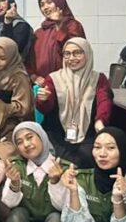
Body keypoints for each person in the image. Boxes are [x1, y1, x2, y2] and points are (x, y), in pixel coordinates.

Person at [36, 37, 114, 168]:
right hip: (57, 132)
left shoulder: (98, 79)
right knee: (59, 157)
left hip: (89, 132)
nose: (71, 58)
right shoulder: (53, 78)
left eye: (77, 53)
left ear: (87, 54)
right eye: (67, 54)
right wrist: (43, 100)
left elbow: (104, 100)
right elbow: (45, 108)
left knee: (87, 156)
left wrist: (100, 120)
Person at [1, 122, 69, 222]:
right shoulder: (17, 166)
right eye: (20, 142)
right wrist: (15, 183)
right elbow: (9, 203)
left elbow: (63, 207)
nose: (26, 144)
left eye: (30, 137)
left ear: (42, 137)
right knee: (17, 213)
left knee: (56, 218)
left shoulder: (62, 168)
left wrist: (55, 181)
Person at [28, 0, 87, 80]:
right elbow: (30, 59)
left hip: (67, 81)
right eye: (42, 5)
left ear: (59, 3)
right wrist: (34, 76)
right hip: (42, 84)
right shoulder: (39, 32)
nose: (45, 7)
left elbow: (74, 52)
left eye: (49, 2)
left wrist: (60, 25)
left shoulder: (73, 26)